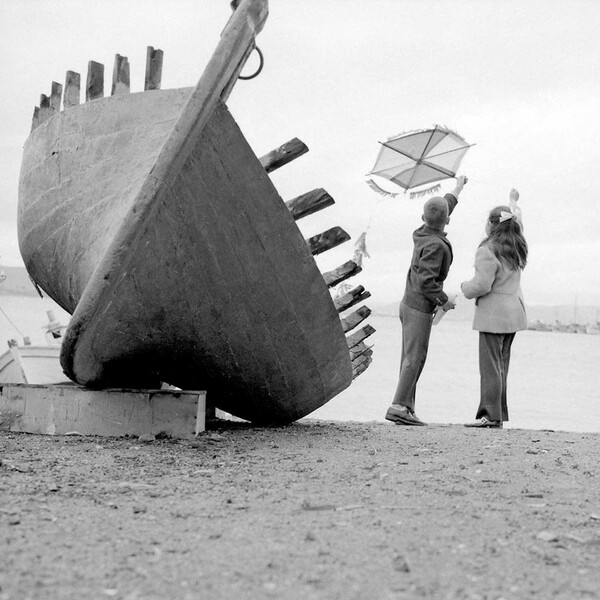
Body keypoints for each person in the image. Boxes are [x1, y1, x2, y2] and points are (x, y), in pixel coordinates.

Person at [385, 175, 468, 426]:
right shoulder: (435, 245)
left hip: (407, 303)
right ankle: (398, 406)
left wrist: (458, 188)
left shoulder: (422, 232)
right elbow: (426, 282)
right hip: (419, 307)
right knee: (415, 358)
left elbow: (442, 207)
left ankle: (406, 407)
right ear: (448, 221)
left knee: (411, 356)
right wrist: (444, 300)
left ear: (424, 219)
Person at [461, 189, 528, 428]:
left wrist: (464, 288)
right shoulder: (517, 246)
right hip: (513, 313)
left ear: (492, 225)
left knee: (490, 367)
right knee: (501, 366)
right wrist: (513, 202)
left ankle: (490, 415)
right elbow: (517, 218)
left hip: (493, 316)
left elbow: (481, 285)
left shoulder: (487, 250)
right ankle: (497, 415)